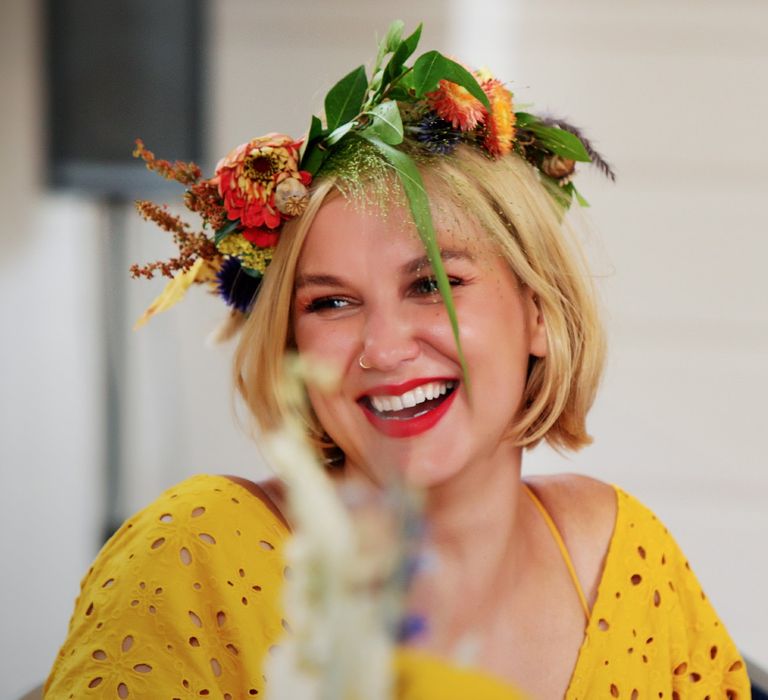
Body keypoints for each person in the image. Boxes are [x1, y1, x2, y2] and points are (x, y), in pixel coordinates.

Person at [45, 22, 749, 699]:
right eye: (331, 303)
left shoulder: (622, 560)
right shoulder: (198, 559)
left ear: (538, 309)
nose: (382, 350)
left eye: (432, 285)